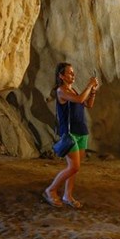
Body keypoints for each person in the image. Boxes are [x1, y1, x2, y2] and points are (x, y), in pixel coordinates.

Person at [43, 62, 98, 208]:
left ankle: (68, 195)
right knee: (74, 167)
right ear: (61, 76)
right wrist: (89, 85)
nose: (73, 75)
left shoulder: (73, 90)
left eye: (73, 72)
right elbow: (80, 100)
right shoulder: (61, 91)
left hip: (81, 131)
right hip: (70, 133)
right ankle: (50, 190)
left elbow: (88, 104)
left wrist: (93, 91)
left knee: (74, 167)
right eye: (70, 73)